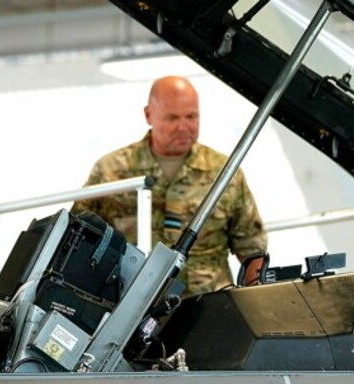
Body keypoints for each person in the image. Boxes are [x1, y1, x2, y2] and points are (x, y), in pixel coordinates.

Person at [71, 75, 267, 296]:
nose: (183, 127)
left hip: (209, 305)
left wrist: (256, 301)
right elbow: (79, 238)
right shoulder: (111, 171)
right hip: (133, 306)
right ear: (148, 115)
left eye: (191, 117)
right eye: (172, 118)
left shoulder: (225, 173)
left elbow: (251, 247)